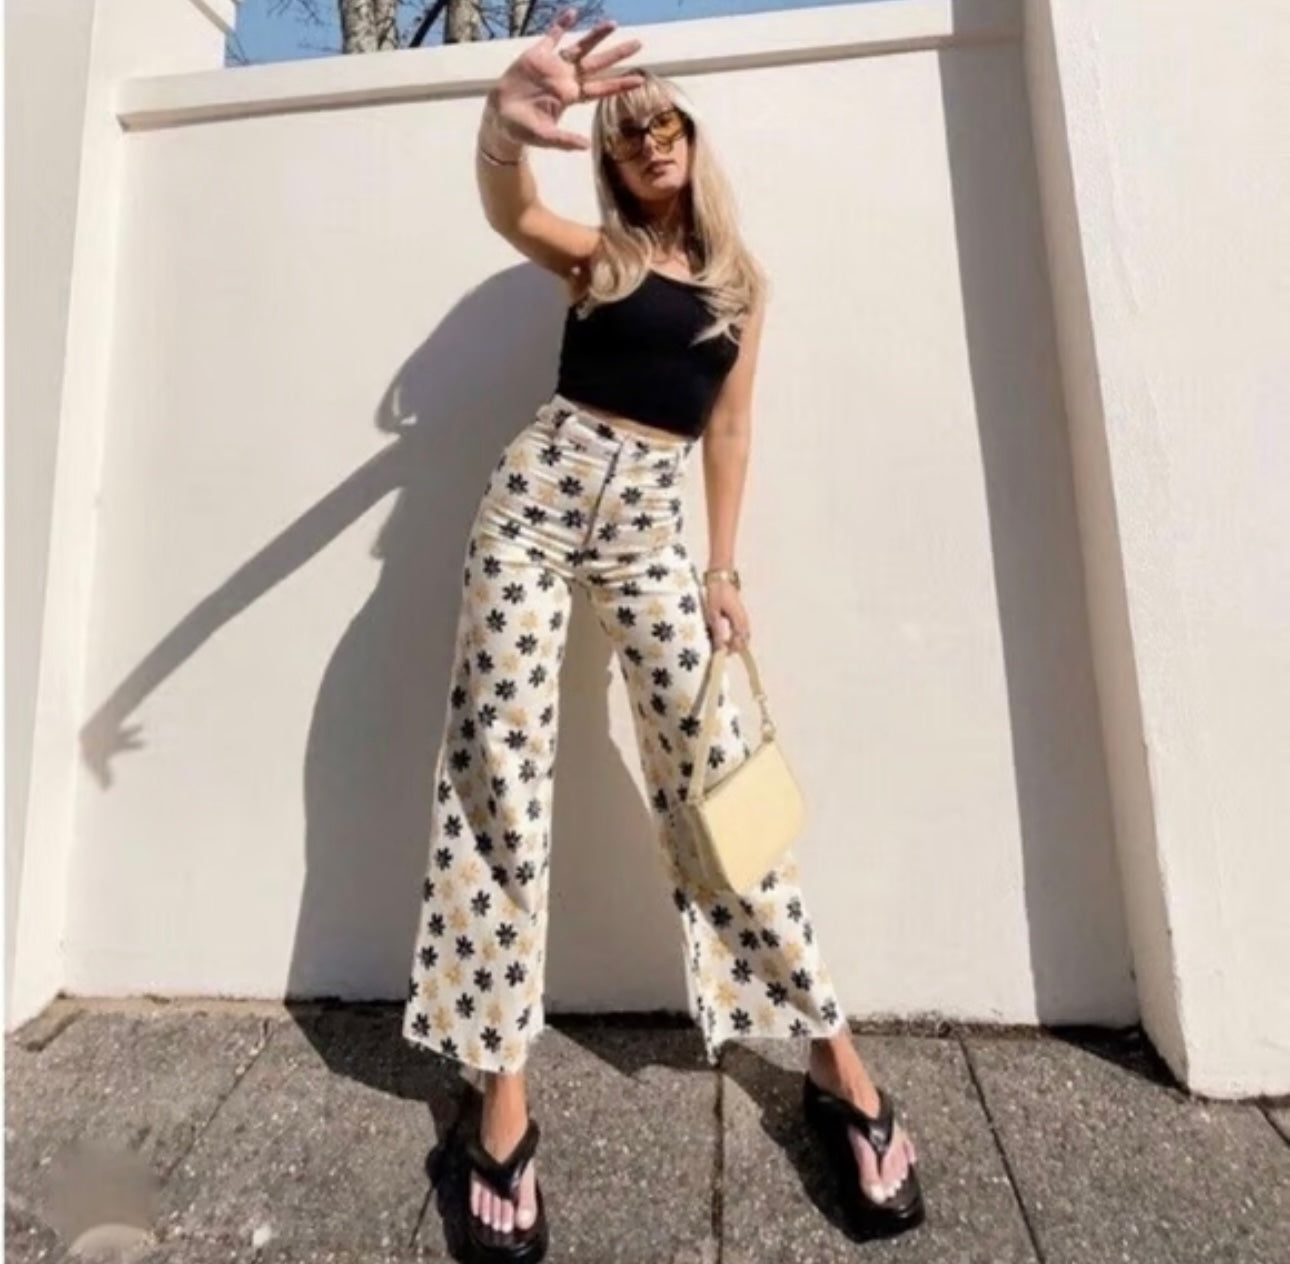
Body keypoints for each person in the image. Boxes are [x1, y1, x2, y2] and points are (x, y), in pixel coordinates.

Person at [401, 9, 924, 1260]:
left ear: (691, 135)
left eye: (661, 121)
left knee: (720, 780)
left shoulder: (742, 289)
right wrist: (498, 127)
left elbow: (729, 431)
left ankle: (834, 1056)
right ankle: (499, 1090)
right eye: (625, 131)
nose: (645, 139)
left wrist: (722, 567)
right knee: (502, 780)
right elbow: (511, 212)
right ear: (611, 158)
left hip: (649, 527)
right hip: (532, 507)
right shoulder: (606, 260)